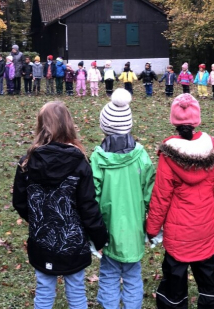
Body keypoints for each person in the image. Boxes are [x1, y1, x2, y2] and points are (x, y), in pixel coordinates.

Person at [12, 102, 109, 309]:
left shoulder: (27, 162)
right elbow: (88, 206)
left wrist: (37, 218)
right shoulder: (78, 162)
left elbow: (20, 202)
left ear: (41, 126)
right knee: (75, 292)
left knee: (45, 291)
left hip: (45, 241)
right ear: (68, 126)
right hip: (70, 242)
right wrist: (99, 236)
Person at [147, 94, 214, 309]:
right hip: (204, 227)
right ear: (197, 120)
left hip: (177, 233)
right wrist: (212, 215)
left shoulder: (168, 154)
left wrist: (152, 228)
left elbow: (161, 195)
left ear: (174, 122)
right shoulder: (213, 149)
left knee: (174, 283)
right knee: (209, 279)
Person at [91, 89, 154, 309]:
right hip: (135, 228)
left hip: (107, 228)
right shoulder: (142, 156)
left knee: (108, 273)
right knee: (132, 273)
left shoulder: (97, 158)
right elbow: (150, 193)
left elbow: (92, 196)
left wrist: (92, 228)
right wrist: (153, 225)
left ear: (104, 126)